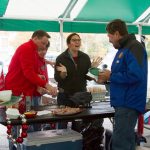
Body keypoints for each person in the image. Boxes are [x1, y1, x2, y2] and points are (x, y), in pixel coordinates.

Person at [98, 19, 148, 150]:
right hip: (123, 103)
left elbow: (136, 75)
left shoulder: (134, 47)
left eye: (109, 36)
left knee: (120, 144)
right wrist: (107, 78)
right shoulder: (124, 49)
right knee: (126, 142)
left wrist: (111, 76)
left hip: (128, 104)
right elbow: (124, 74)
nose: (109, 40)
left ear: (116, 33)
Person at [5, 30, 57, 114]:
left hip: (25, 90)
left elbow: (29, 70)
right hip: (16, 90)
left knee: (26, 116)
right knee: (14, 119)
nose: (44, 46)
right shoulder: (27, 48)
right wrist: (46, 85)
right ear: (35, 38)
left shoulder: (32, 50)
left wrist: (39, 77)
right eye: (43, 43)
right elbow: (28, 73)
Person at [54, 32, 101, 107]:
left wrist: (93, 70)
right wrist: (63, 74)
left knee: (84, 117)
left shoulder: (85, 57)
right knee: (66, 118)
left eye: (79, 40)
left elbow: (88, 77)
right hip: (65, 96)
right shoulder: (61, 58)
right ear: (68, 44)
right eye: (74, 40)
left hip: (81, 95)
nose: (77, 42)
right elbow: (57, 78)